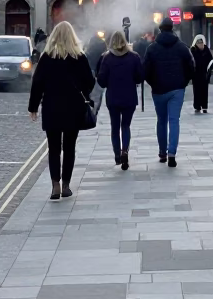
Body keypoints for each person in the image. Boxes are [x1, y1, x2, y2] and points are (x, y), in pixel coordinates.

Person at [28, 22, 96, 200]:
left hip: (52, 107)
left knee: (54, 148)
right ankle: (66, 185)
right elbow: (90, 81)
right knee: (69, 148)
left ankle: (55, 186)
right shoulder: (79, 57)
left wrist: (33, 107)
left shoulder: (47, 57)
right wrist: (82, 91)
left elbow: (37, 83)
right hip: (74, 107)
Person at [142, 17, 195, 167]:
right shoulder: (182, 47)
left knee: (161, 120)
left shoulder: (152, 48)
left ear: (160, 29)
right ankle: (172, 153)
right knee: (174, 120)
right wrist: (183, 82)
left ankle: (162, 152)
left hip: (158, 90)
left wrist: (153, 83)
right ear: (172, 28)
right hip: (177, 89)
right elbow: (191, 67)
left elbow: (145, 70)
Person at [96, 30, 144, 170]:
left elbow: (101, 81)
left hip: (113, 98)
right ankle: (125, 151)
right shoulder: (134, 57)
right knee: (126, 126)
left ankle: (117, 155)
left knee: (115, 127)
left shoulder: (107, 58)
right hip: (129, 97)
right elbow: (140, 77)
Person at [190, 35, 213, 114]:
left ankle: (204, 106)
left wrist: (211, 66)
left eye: (201, 43)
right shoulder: (193, 50)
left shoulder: (206, 50)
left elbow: (211, 60)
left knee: (204, 91)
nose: (200, 44)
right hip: (196, 74)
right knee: (197, 91)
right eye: (199, 43)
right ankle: (197, 106)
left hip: (205, 74)